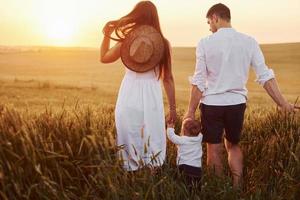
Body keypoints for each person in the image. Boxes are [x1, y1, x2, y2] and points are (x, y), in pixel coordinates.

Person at [184, 3, 296, 188]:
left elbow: (199, 81)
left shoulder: (204, 43)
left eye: (209, 22)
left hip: (212, 104)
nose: (209, 27)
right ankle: (237, 188)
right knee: (233, 145)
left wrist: (190, 112)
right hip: (236, 104)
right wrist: (283, 104)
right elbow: (265, 76)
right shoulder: (249, 41)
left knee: (213, 147)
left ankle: (218, 189)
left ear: (215, 18)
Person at [100, 1, 176, 171]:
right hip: (152, 98)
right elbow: (168, 78)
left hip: (129, 94)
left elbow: (104, 57)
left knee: (129, 137)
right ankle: (150, 182)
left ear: (136, 16)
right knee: (153, 138)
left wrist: (106, 35)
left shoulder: (127, 41)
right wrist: (172, 109)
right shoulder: (163, 43)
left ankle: (130, 183)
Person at [166, 118, 202, 190]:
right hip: (197, 169)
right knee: (196, 186)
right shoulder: (199, 138)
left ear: (184, 131)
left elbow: (171, 136)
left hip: (184, 167)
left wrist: (170, 127)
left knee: (183, 185)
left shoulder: (182, 140)